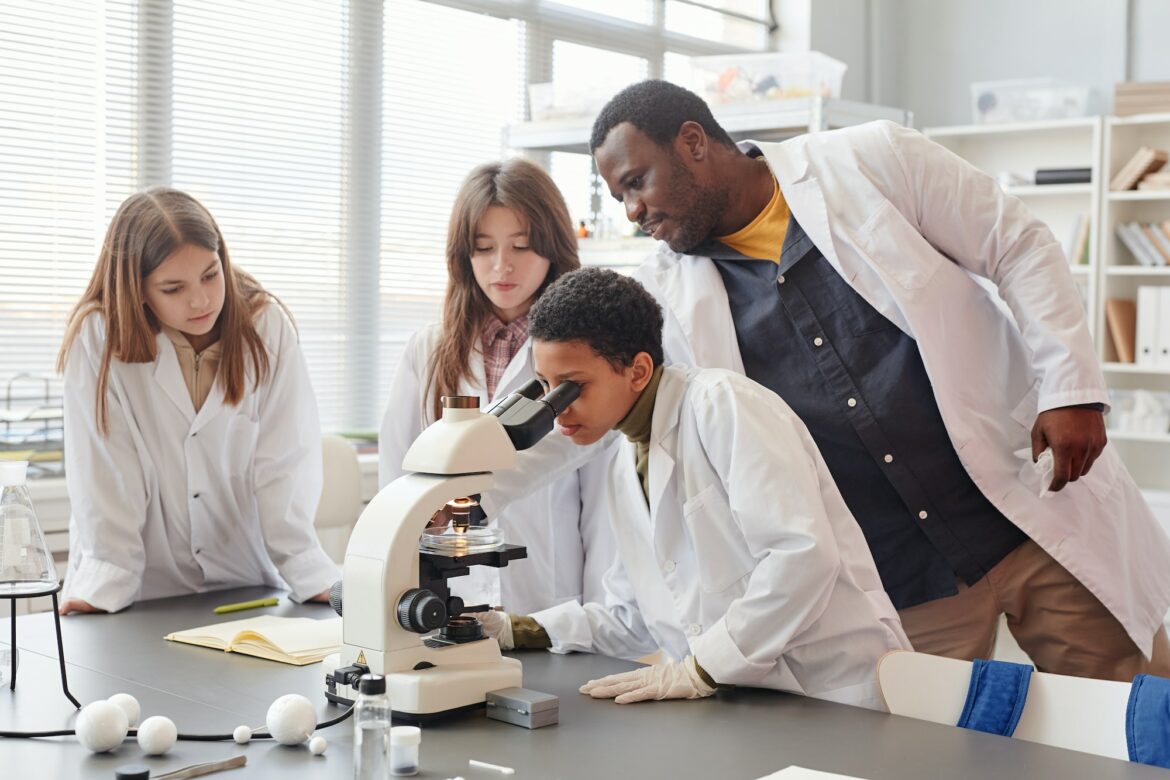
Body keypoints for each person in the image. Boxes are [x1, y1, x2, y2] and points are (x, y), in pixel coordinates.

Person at [583, 79, 1170, 680]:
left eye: (637, 181)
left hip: (1027, 507)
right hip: (898, 576)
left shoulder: (870, 159)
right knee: (926, 756)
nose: (632, 211)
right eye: (619, 195)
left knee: (1133, 719)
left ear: (692, 143)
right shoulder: (663, 297)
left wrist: (1071, 390)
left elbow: (1016, 245)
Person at [480, 267, 910, 711]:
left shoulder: (724, 406)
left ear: (638, 370)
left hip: (831, 691)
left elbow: (802, 557)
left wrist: (701, 668)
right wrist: (516, 629)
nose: (557, 410)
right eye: (547, 387)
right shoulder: (625, 460)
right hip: (745, 706)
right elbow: (634, 618)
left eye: (573, 387)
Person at [57, 187, 338, 614]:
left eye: (210, 274)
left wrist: (306, 566)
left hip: (245, 584)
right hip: (140, 594)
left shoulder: (265, 326)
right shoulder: (99, 336)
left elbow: (283, 463)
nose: (201, 299)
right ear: (138, 289)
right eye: (173, 288)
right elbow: (104, 472)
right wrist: (107, 577)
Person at [379, 159, 615, 618]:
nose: (501, 266)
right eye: (483, 248)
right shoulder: (428, 349)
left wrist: (599, 616)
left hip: (552, 603)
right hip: (443, 600)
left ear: (552, 247)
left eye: (522, 246)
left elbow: (604, 507)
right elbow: (397, 477)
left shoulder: (585, 356)